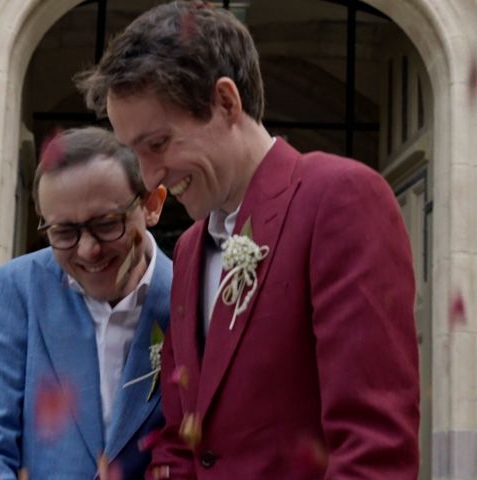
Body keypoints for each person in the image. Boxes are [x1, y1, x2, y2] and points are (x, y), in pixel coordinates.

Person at [76, 2, 420, 478]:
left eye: (157, 144)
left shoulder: (339, 198)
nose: (150, 176)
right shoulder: (193, 248)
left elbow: (372, 450)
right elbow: (181, 440)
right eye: (136, 156)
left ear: (225, 102)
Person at [0, 127, 172, 479]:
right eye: (64, 233)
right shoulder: (14, 292)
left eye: (106, 224)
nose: (87, 250)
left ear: (151, 206)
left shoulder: (191, 298)